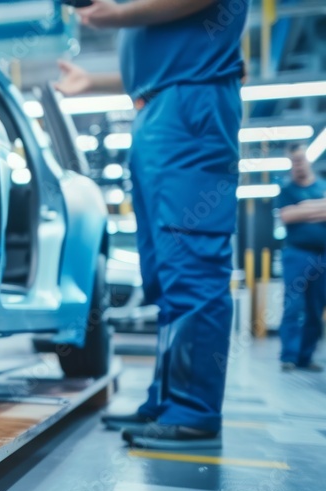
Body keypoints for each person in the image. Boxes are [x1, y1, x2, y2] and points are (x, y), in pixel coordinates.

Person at [55, 0, 247, 449]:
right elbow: (168, 54)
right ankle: (167, 402)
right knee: (163, 274)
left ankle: (193, 411)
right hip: (160, 107)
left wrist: (117, 15)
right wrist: (96, 81)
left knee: (192, 262)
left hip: (191, 108)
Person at [275, 146, 326, 373]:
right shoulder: (286, 189)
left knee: (316, 309)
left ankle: (306, 357)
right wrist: (317, 208)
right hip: (296, 254)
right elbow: (286, 215)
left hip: (322, 256)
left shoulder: (322, 186)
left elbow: (296, 213)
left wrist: (302, 209)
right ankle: (289, 357)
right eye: (293, 162)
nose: (297, 166)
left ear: (309, 161)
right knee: (293, 306)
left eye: (300, 161)